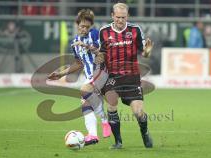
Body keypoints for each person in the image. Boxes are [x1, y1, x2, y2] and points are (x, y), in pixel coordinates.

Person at [47, 9, 111, 145]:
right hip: (89, 76)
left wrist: (86, 45)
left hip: (100, 70)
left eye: (87, 27)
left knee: (84, 90)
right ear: (77, 25)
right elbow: (78, 63)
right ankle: (93, 135)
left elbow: (100, 52)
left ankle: (105, 121)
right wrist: (60, 74)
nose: (84, 29)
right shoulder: (74, 42)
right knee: (85, 103)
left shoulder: (94, 34)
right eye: (82, 26)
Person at [97, 3, 153, 149]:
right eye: (117, 17)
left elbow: (144, 53)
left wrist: (147, 51)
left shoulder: (135, 30)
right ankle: (118, 142)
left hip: (131, 77)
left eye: (123, 17)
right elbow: (101, 53)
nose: (120, 20)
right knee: (111, 105)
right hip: (112, 77)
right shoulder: (104, 31)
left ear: (127, 16)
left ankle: (145, 132)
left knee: (138, 112)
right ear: (112, 16)